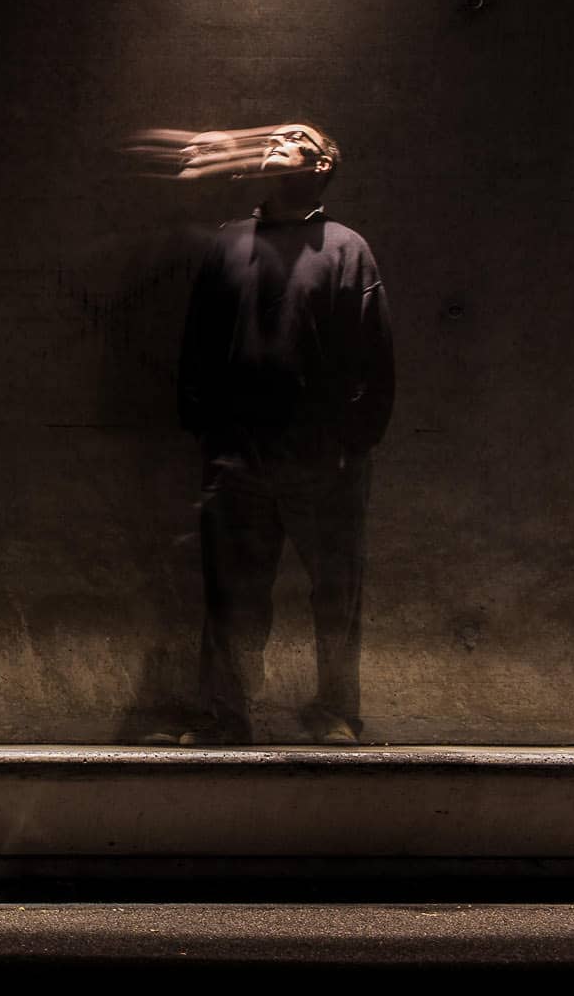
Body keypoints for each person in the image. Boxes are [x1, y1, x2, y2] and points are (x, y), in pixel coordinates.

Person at [177, 123, 392, 746]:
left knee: (337, 594)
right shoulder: (229, 243)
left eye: (295, 138)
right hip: (238, 457)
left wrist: (353, 445)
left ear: (322, 166)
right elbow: (198, 344)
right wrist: (209, 433)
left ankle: (335, 713)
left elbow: (374, 358)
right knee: (232, 595)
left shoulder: (347, 248)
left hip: (323, 462)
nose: (275, 139)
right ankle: (227, 717)